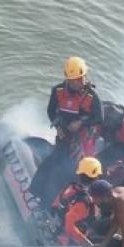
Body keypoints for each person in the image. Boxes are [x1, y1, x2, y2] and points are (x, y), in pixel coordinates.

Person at [31, 57, 105, 206]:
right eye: (74, 80)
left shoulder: (92, 97)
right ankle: (37, 193)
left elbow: (99, 118)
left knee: (71, 172)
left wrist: (81, 122)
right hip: (64, 137)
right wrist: (58, 128)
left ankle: (68, 204)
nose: (77, 82)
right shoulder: (58, 91)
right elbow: (51, 111)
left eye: (80, 78)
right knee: (51, 164)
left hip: (83, 142)